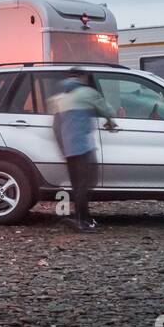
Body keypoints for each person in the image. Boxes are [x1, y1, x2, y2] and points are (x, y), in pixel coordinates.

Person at [48, 71, 114, 232]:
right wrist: (110, 121)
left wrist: (63, 148)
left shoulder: (59, 98)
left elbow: (56, 125)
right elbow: (107, 109)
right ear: (81, 77)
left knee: (78, 185)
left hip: (69, 149)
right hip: (84, 147)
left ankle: (81, 217)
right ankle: (82, 221)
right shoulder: (87, 93)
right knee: (88, 182)